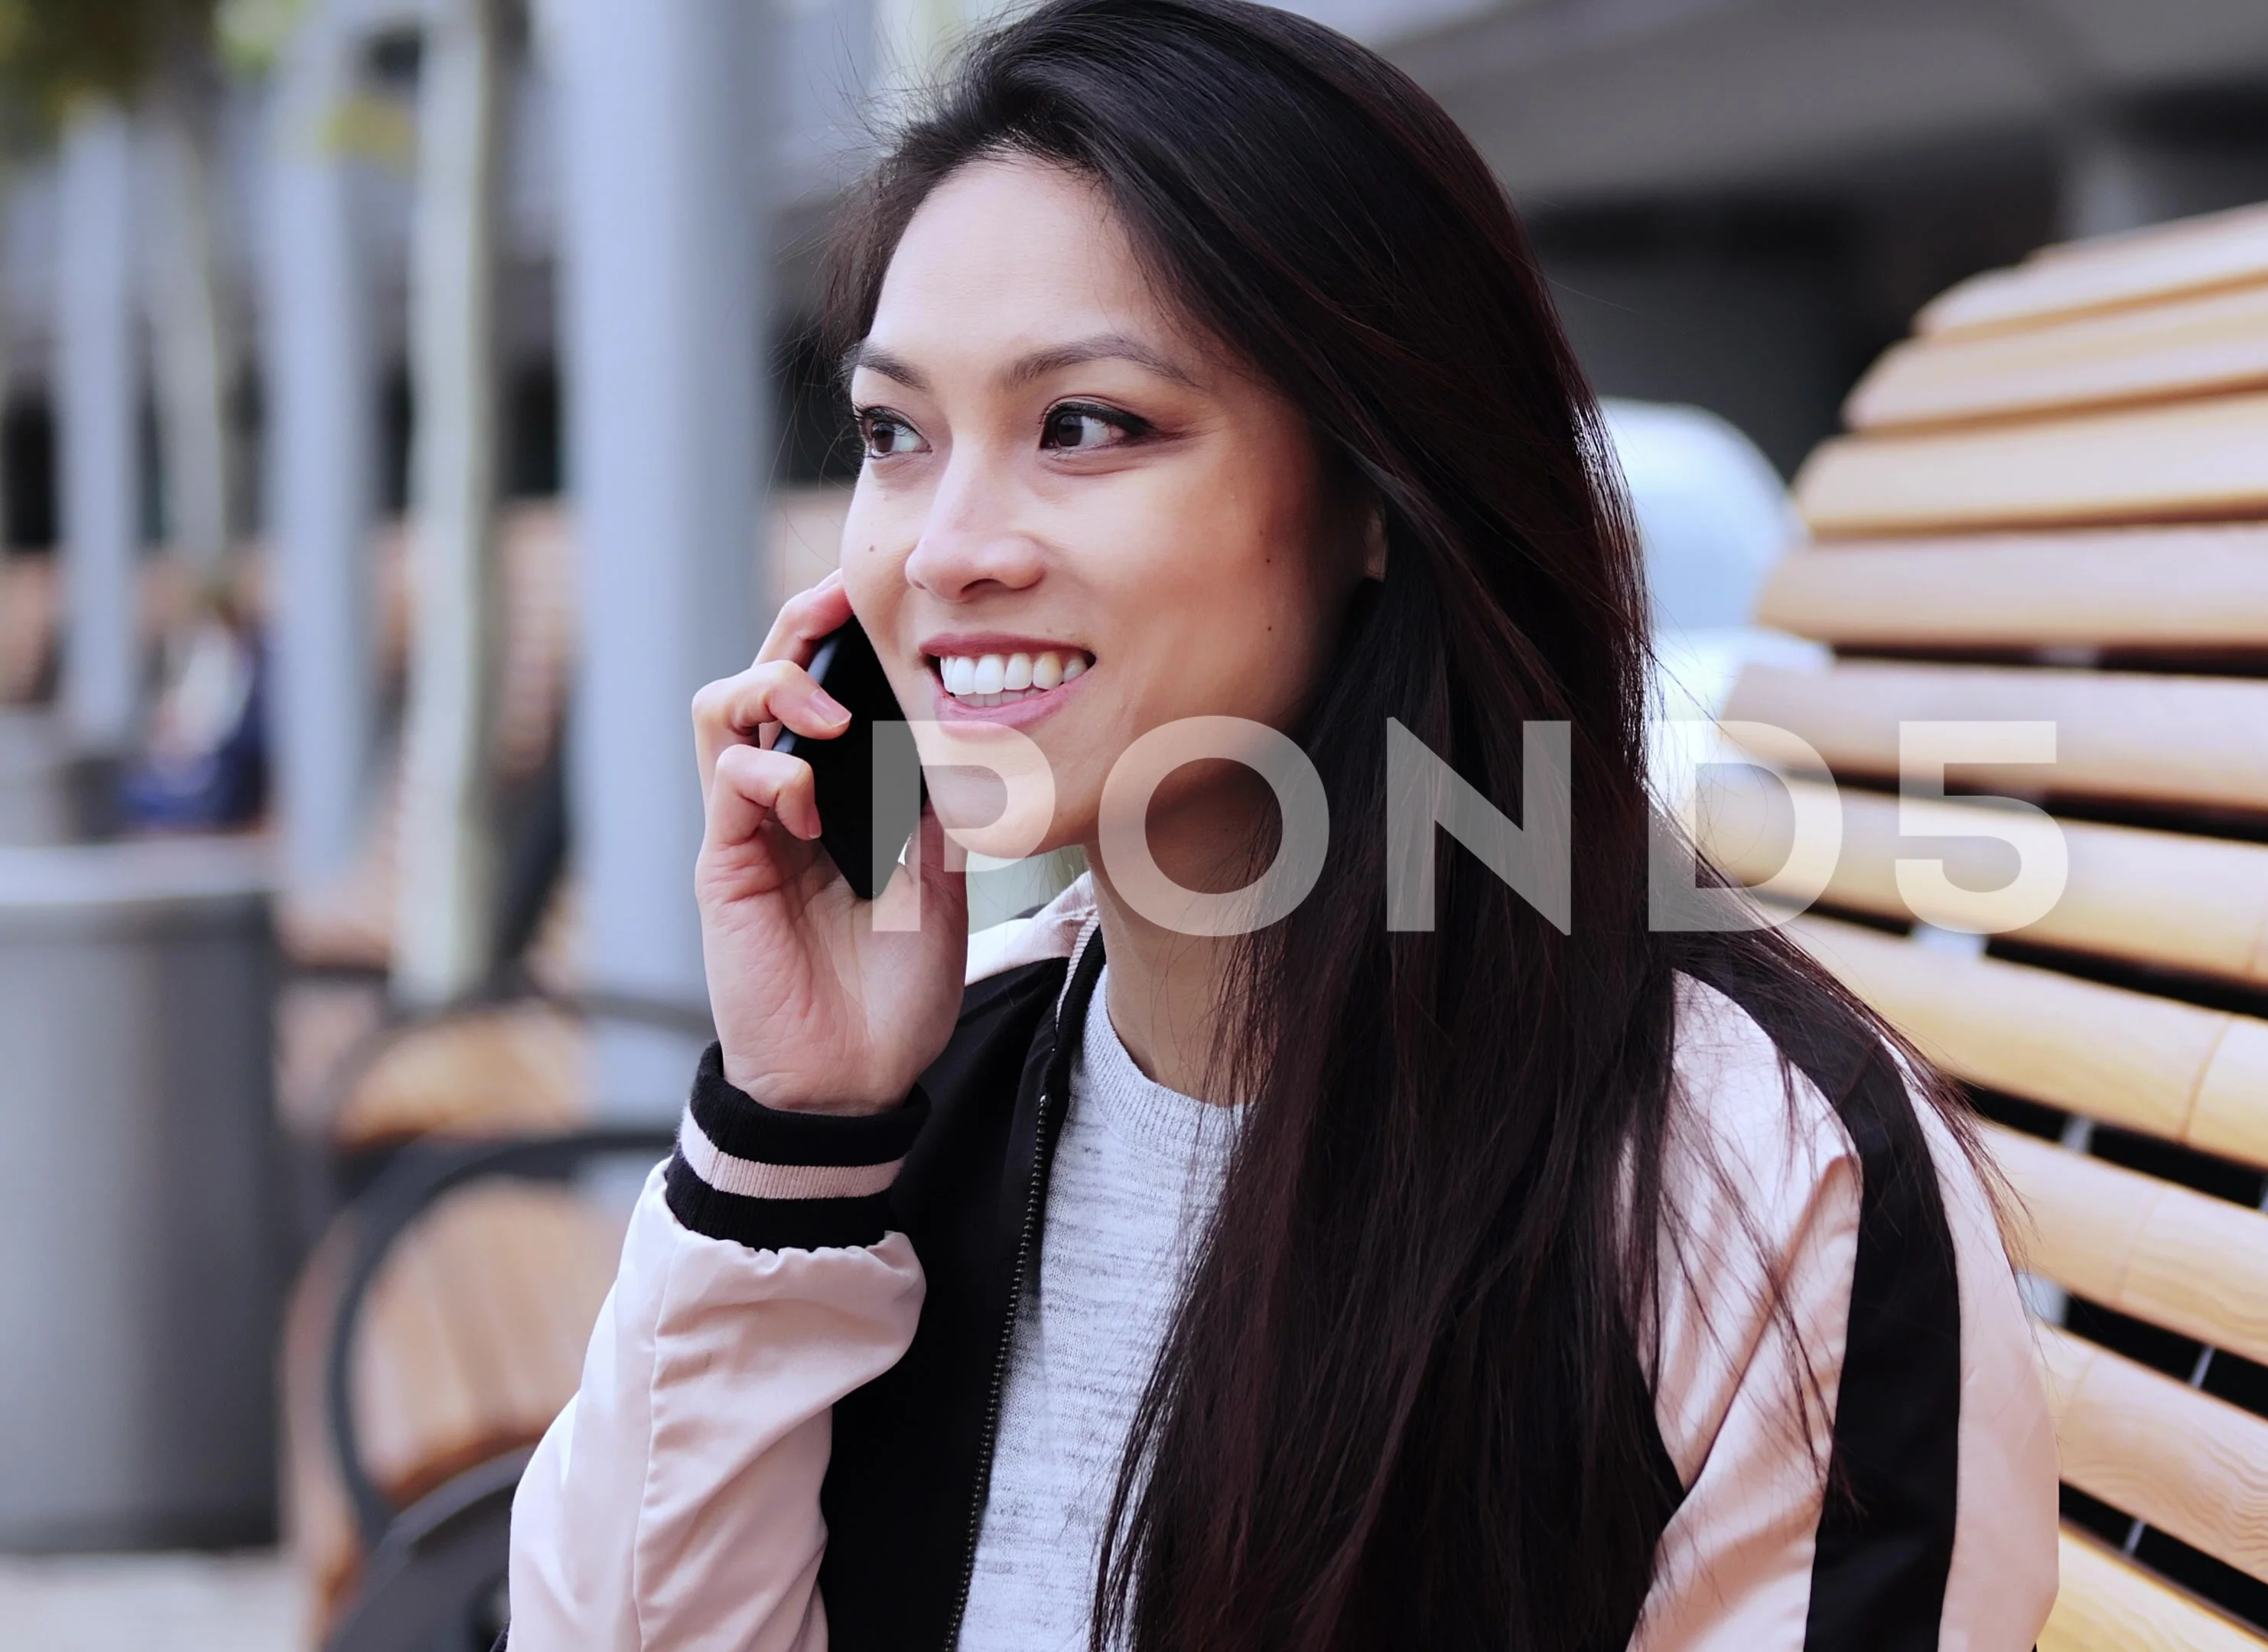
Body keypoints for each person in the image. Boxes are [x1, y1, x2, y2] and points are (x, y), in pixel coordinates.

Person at [504, 2, 2055, 1647]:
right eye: (897, 434)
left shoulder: (1744, 1181)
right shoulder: (920, 1100)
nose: (947, 547)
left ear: (1376, 500)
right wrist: (791, 1139)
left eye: (1086, 425)